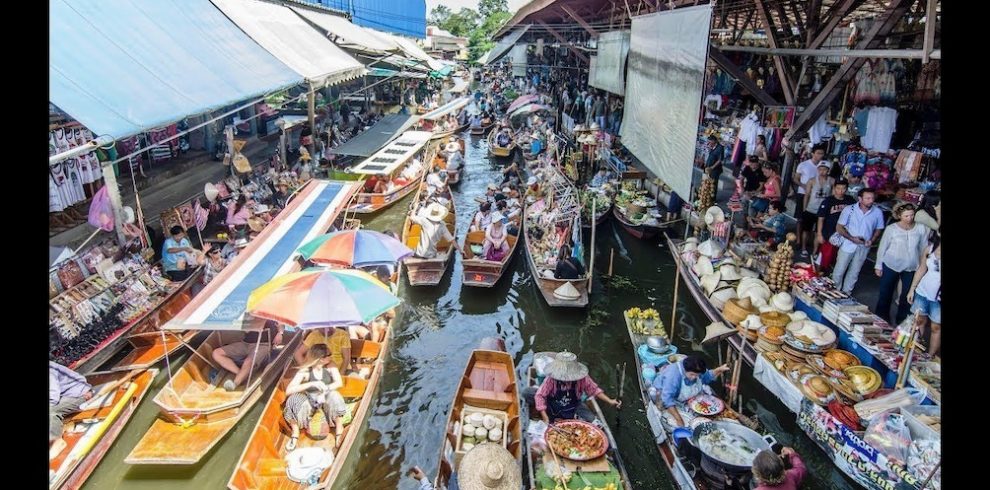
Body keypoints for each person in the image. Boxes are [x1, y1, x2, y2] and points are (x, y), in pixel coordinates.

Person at [282, 344, 347, 451]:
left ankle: (339, 428)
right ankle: (295, 432)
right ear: (320, 359)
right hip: (310, 402)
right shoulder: (305, 371)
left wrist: (325, 389)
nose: (331, 356)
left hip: (326, 401)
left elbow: (338, 383)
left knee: (335, 395)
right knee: (292, 400)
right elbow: (289, 390)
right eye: (328, 355)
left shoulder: (331, 366)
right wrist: (310, 384)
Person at [874, 203, 930, 324]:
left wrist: (922, 265)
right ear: (899, 215)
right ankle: (881, 319)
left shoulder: (920, 228)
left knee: (907, 296)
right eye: (906, 216)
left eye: (911, 215)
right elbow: (883, 247)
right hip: (891, 265)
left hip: (911, 267)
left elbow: (923, 248)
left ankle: (902, 322)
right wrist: (878, 265)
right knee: (885, 293)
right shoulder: (891, 229)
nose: (909, 218)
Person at [531, 352, 621, 423]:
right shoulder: (551, 379)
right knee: (528, 393)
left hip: (573, 406)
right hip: (553, 405)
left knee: (592, 420)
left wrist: (610, 401)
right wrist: (544, 416)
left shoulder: (582, 378)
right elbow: (540, 395)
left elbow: (594, 390)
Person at [650, 355, 730, 427]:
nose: (695, 377)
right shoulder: (673, 376)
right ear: (685, 369)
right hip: (662, 395)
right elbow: (667, 399)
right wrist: (679, 420)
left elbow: (707, 376)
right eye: (692, 374)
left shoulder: (696, 370)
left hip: (685, 399)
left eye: (697, 375)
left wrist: (719, 369)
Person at [832, 188, 885, 294]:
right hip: (847, 244)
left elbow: (879, 228)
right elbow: (839, 227)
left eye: (872, 198)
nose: (871, 200)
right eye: (868, 198)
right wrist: (852, 238)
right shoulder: (849, 209)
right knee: (839, 270)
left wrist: (872, 239)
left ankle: (846, 293)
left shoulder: (877, 212)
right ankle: (833, 291)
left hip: (864, 246)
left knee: (854, 272)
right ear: (860, 199)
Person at [211, 320, 282, 391]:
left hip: (263, 345)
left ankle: (235, 383)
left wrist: (280, 333)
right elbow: (246, 330)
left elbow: (281, 323)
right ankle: (241, 374)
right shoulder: (247, 315)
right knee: (216, 353)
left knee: (248, 361)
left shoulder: (269, 314)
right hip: (245, 343)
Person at [50, 361, 93, 454]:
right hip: (62, 395)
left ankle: (56, 442)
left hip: (78, 393)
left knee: (51, 412)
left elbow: (52, 397)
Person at [908, 233, 941, 355]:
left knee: (936, 327)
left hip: (938, 298)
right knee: (919, 321)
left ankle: (930, 356)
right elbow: (922, 269)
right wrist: (912, 289)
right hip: (923, 291)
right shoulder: (930, 249)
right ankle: (914, 352)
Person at [815, 179, 856, 273]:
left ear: (846, 189)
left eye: (843, 188)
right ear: (834, 188)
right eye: (838, 188)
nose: (841, 191)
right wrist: (819, 234)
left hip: (844, 234)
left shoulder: (850, 200)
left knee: (837, 257)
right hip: (829, 233)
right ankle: (817, 274)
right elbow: (821, 218)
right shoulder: (828, 201)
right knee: (824, 255)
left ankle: (828, 275)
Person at [794, 146, 826, 255]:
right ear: (812, 153)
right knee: (800, 218)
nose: (820, 155)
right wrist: (804, 186)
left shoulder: (823, 166)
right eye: (818, 153)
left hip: (816, 197)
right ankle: (798, 240)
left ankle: (810, 242)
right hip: (803, 193)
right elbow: (795, 178)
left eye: (822, 153)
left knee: (815, 220)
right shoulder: (803, 165)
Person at [802, 162, 834, 254]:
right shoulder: (812, 180)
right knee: (806, 230)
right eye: (820, 169)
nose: (822, 171)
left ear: (828, 170)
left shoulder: (831, 181)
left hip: (823, 211)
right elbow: (807, 195)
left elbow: (832, 196)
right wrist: (804, 208)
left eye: (824, 169)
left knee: (818, 232)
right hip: (810, 209)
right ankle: (804, 248)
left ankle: (814, 252)